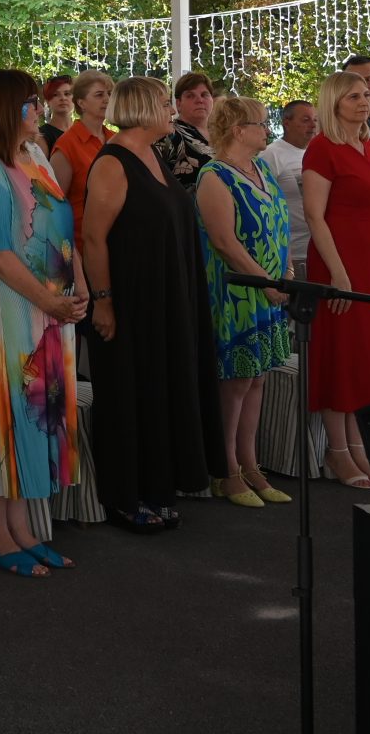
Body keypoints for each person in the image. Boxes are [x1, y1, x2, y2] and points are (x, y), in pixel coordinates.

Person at [78, 76, 222, 531]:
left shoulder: (153, 153)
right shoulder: (113, 162)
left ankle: (157, 485)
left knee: (161, 389)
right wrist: (103, 301)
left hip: (168, 295)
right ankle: (125, 495)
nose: (171, 111)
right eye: (164, 103)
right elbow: (93, 238)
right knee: (130, 393)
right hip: (131, 298)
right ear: (141, 109)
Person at [0, 69, 84, 575]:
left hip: (47, 308)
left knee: (35, 414)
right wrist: (49, 302)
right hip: (6, 307)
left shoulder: (33, 156)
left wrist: (77, 288)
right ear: (8, 109)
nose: (41, 109)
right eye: (31, 102)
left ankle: (23, 527)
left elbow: (61, 229)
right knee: (4, 414)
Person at [302, 72, 370, 489]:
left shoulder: (366, 144)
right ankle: (337, 450)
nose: (364, 102)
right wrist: (338, 273)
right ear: (334, 102)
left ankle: (358, 445)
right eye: (353, 96)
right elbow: (315, 215)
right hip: (340, 261)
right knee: (343, 353)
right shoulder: (322, 148)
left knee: (368, 353)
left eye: (367, 94)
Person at [195, 96, 293, 509]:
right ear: (238, 129)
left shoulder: (261, 169)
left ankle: (251, 465)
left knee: (257, 379)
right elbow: (224, 242)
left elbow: (280, 226)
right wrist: (265, 281)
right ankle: (226, 469)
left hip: (269, 289)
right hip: (236, 292)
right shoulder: (214, 176)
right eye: (261, 123)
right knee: (235, 381)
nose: (267, 129)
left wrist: (286, 272)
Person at [50, 69, 114, 254]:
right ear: (81, 103)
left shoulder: (114, 138)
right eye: (99, 95)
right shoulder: (67, 145)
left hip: (116, 240)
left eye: (109, 94)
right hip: (82, 245)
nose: (107, 99)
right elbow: (55, 206)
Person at [259, 100, 317, 280]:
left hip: (320, 249)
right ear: (286, 122)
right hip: (293, 254)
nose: (313, 125)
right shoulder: (270, 155)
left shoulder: (317, 152)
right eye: (305, 120)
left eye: (315, 120)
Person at [155, 70, 215, 192]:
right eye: (190, 96)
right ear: (178, 104)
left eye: (204, 95)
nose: (199, 100)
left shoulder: (224, 133)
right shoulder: (168, 135)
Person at [38, 75, 74, 155]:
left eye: (67, 94)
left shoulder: (82, 130)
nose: (63, 98)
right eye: (55, 95)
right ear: (47, 101)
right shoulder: (42, 136)